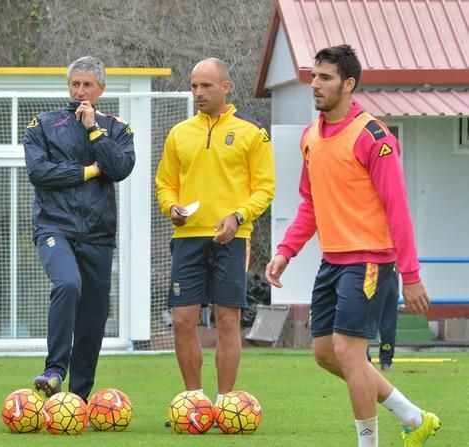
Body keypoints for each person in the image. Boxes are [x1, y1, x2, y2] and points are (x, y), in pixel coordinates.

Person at [265, 45, 440, 447]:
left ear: (349, 84)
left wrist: (411, 276)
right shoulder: (310, 137)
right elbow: (310, 203)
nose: (315, 85)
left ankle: (369, 444)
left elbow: (398, 210)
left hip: (371, 261)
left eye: (325, 78)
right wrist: (285, 251)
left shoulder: (373, 137)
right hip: (332, 262)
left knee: (348, 352)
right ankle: (413, 417)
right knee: (326, 353)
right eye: (313, 76)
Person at [155, 57, 275, 409]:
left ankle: (225, 402)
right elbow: (165, 185)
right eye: (194, 86)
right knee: (182, 320)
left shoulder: (252, 133)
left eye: (206, 86)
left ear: (225, 87)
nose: (198, 93)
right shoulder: (179, 133)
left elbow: (264, 188)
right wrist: (171, 208)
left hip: (233, 239)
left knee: (227, 320)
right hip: (187, 238)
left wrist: (238, 216)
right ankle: (194, 400)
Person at [23, 56, 135, 402]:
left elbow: (120, 168)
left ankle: (78, 398)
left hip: (98, 235)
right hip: (54, 226)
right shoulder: (42, 124)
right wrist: (87, 172)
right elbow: (39, 173)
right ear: (67, 85)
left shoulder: (117, 129)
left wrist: (93, 130)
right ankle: (54, 370)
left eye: (87, 85)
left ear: (101, 89)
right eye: (75, 84)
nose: (80, 91)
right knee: (67, 283)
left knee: (94, 315)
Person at [367, 289, 398, 371]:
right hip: (389, 278)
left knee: (365, 316)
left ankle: (365, 359)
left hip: (367, 279)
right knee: (388, 318)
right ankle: (386, 362)